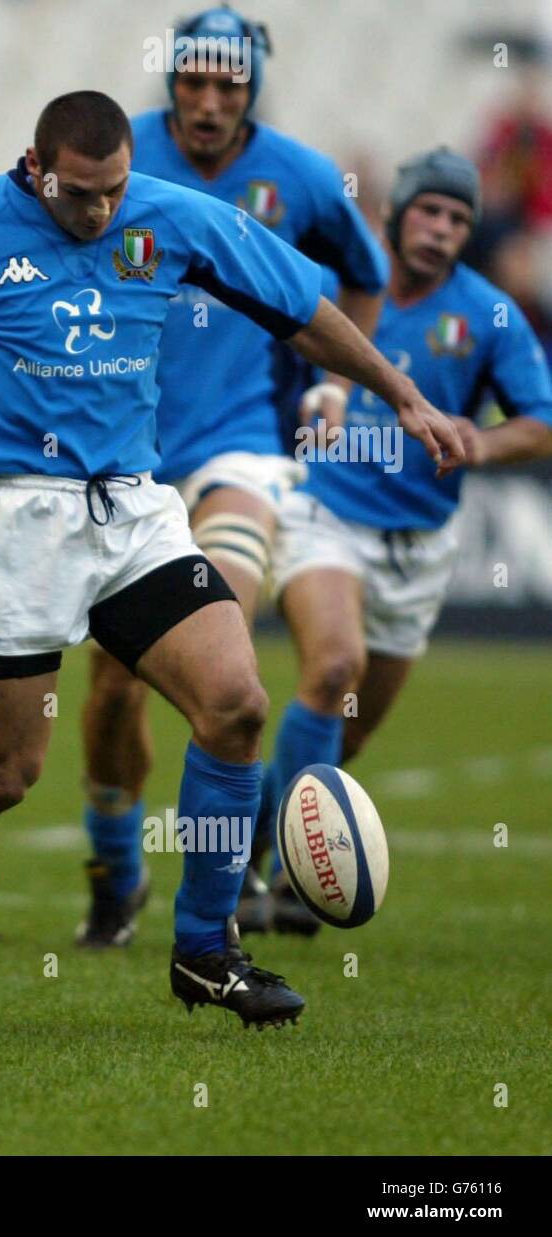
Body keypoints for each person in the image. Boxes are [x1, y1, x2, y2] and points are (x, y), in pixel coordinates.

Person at [0, 91, 464, 1029]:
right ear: (36, 165)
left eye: (113, 192)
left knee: (235, 705)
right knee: (4, 772)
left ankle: (205, 948)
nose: (100, 213)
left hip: (135, 514)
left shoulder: (169, 214)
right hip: (14, 522)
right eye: (80, 194)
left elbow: (302, 307)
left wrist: (404, 395)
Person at [72, 6, 390, 949]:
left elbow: (360, 279)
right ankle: (114, 865)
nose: (209, 103)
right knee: (115, 686)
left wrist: (337, 383)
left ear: (253, 87)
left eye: (229, 86)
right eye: (194, 84)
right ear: (171, 81)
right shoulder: (113, 158)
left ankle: (228, 885)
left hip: (240, 447)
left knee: (224, 660)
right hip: (120, 455)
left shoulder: (296, 175)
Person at [254, 147, 552, 931]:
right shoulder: (337, 290)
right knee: (333, 665)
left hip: (420, 546)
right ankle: (285, 880)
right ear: (396, 214)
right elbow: (265, 364)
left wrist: (483, 443)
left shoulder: (487, 314)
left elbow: (542, 421)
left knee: (343, 737)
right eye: (429, 210)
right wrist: (315, 396)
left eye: (458, 219)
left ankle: (241, 841)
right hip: (325, 515)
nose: (441, 229)